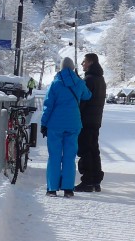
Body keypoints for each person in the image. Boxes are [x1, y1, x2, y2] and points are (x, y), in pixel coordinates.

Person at [37, 56, 90, 197]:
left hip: (55, 125)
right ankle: (68, 189)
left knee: (54, 156)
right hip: (73, 124)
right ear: (73, 68)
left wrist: (44, 123)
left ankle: (52, 189)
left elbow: (48, 105)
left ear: (61, 68)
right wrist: (78, 81)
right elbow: (87, 96)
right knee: (69, 157)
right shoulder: (78, 82)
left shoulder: (56, 83)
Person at [76, 52, 107, 192]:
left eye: (84, 61)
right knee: (94, 150)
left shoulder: (88, 80)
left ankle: (87, 181)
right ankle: (95, 181)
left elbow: (83, 100)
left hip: (86, 120)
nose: (82, 64)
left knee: (85, 150)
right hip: (96, 120)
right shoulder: (100, 79)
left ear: (91, 62)